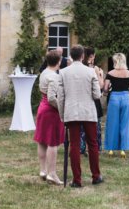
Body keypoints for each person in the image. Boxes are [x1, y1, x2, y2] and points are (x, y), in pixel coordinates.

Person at [57, 45, 103, 188]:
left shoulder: (63, 72)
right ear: (83, 56)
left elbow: (60, 97)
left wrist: (62, 115)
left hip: (71, 111)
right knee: (93, 144)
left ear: (71, 55)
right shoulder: (90, 72)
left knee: (74, 145)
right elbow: (97, 94)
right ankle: (96, 176)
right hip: (88, 111)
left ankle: (77, 180)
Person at [35, 51, 65, 184]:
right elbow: (52, 97)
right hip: (51, 111)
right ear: (58, 62)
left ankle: (43, 170)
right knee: (52, 142)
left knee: (42, 140)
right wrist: (61, 108)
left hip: (42, 107)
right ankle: (52, 173)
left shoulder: (44, 73)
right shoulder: (54, 76)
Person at [103, 52, 129, 158]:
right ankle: (123, 149)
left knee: (113, 123)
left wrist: (107, 91)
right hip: (126, 97)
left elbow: (106, 89)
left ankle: (111, 149)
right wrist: (126, 92)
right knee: (125, 123)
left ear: (115, 61)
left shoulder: (110, 73)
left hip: (114, 98)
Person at [80, 47, 105, 155]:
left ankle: (81, 147)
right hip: (92, 100)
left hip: (81, 99)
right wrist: (100, 75)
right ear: (92, 56)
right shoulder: (94, 69)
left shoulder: (79, 67)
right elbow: (101, 85)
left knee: (81, 125)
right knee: (95, 125)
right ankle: (95, 147)